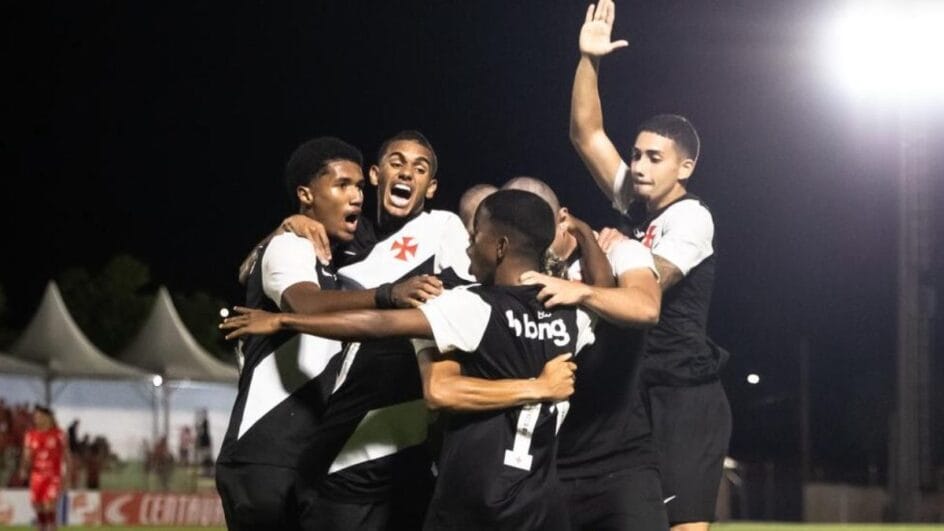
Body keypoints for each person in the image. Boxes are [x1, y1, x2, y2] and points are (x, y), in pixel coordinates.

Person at [222, 189, 609, 530]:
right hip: (539, 505)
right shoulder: (571, 313)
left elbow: (376, 324)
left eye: (476, 236)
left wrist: (286, 319)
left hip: (473, 500)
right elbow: (603, 291)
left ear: (501, 246)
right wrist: (584, 233)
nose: (469, 246)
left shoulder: (473, 307)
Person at [569, 2, 731, 529]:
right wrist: (589, 60)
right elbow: (587, 134)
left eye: (652, 158)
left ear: (685, 166)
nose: (637, 165)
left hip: (684, 395)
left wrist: (608, 252)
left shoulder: (693, 218)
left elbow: (649, 286)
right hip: (636, 391)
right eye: (635, 155)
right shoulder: (636, 205)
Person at [506, 176, 669, 529]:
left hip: (621, 464)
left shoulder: (621, 250)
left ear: (562, 217)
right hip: (550, 467)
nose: (531, 235)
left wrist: (580, 293)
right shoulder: (515, 275)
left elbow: (646, 307)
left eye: (539, 222)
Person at [18, 405, 70, 531]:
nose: (37, 419)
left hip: (53, 476)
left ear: (48, 418)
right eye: (35, 416)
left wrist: (67, 476)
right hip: (37, 476)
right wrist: (23, 469)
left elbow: (66, 456)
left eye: (40, 416)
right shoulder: (30, 435)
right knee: (38, 507)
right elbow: (26, 455)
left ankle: (52, 528)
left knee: (49, 506)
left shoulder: (59, 434)